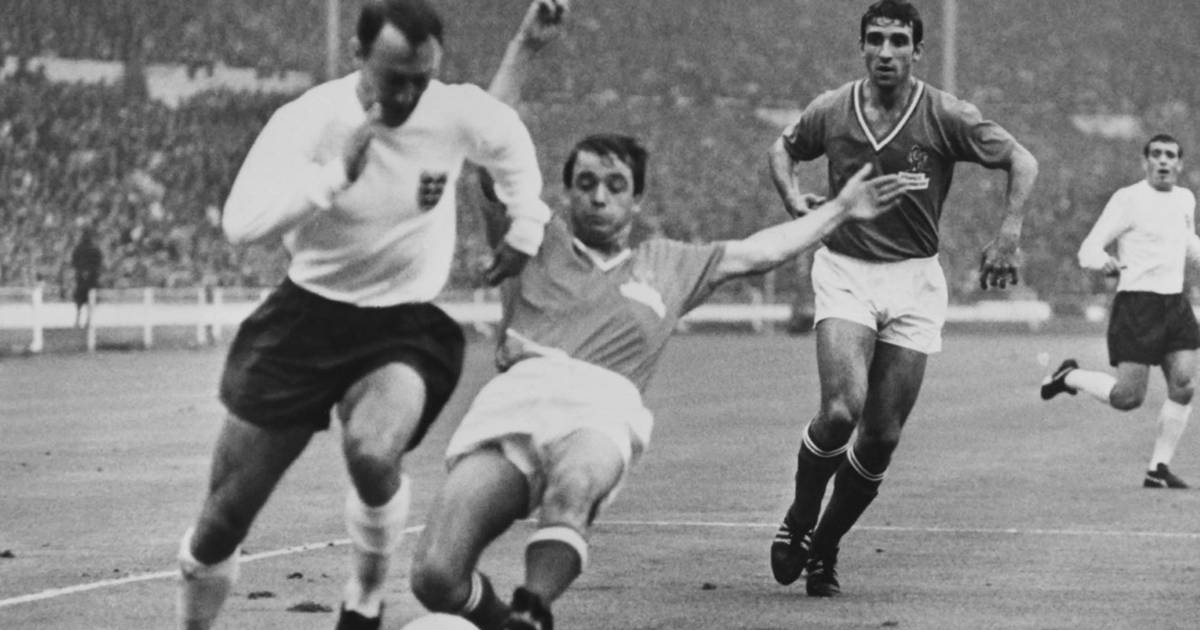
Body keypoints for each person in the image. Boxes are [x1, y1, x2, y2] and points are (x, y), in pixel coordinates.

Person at [406, 8, 910, 628]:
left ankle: (534, 608)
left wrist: (839, 209)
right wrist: (525, 47)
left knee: (575, 486)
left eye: (614, 184)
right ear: (567, 192)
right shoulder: (534, 239)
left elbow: (762, 251)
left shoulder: (669, 263)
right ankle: (506, 623)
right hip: (516, 399)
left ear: (636, 199)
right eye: (585, 182)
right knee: (435, 575)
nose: (598, 195)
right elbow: (489, 145)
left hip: (600, 406)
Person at [173, 1, 553, 629]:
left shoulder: (451, 110)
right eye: (393, 78)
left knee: (375, 454)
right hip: (304, 322)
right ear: (358, 56)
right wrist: (333, 177)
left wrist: (527, 222)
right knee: (222, 522)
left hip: (399, 328)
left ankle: (367, 595)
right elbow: (241, 223)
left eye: (420, 80)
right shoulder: (311, 119)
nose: (406, 95)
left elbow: (505, 136)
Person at [765, 0, 1039, 597]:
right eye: (875, 40)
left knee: (881, 437)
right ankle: (800, 516)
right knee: (842, 410)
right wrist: (793, 198)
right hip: (846, 269)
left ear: (917, 50)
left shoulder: (945, 114)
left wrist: (1009, 234)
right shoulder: (832, 109)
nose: (885, 52)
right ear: (862, 46)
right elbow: (782, 149)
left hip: (914, 280)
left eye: (897, 41)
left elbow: (1022, 160)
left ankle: (824, 546)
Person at [1041, 133, 1199, 489]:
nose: (1163, 160)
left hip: (1175, 303)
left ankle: (1158, 469)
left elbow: (1187, 242)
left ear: (1179, 164)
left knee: (1184, 385)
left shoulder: (1185, 199)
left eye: (1170, 155)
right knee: (1128, 398)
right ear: (1145, 161)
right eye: (1156, 154)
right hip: (1137, 306)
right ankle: (1069, 377)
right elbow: (1089, 248)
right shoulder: (1128, 199)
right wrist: (1103, 262)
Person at [71, 227, 103, 328]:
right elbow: (99, 263)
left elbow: (74, 262)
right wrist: (90, 271)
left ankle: (78, 320)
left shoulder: (78, 249)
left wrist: (82, 271)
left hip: (81, 279)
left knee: (80, 301)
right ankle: (87, 320)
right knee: (89, 300)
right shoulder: (94, 249)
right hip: (91, 279)